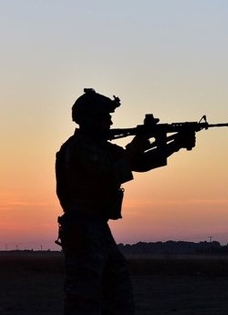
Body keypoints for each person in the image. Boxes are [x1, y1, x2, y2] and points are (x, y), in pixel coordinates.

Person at [55, 88, 196, 315]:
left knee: (118, 293)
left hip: (97, 228)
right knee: (83, 299)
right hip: (82, 229)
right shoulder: (78, 148)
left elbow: (138, 162)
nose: (110, 121)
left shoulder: (100, 148)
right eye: (104, 117)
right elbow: (114, 171)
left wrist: (175, 144)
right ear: (90, 119)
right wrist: (140, 139)